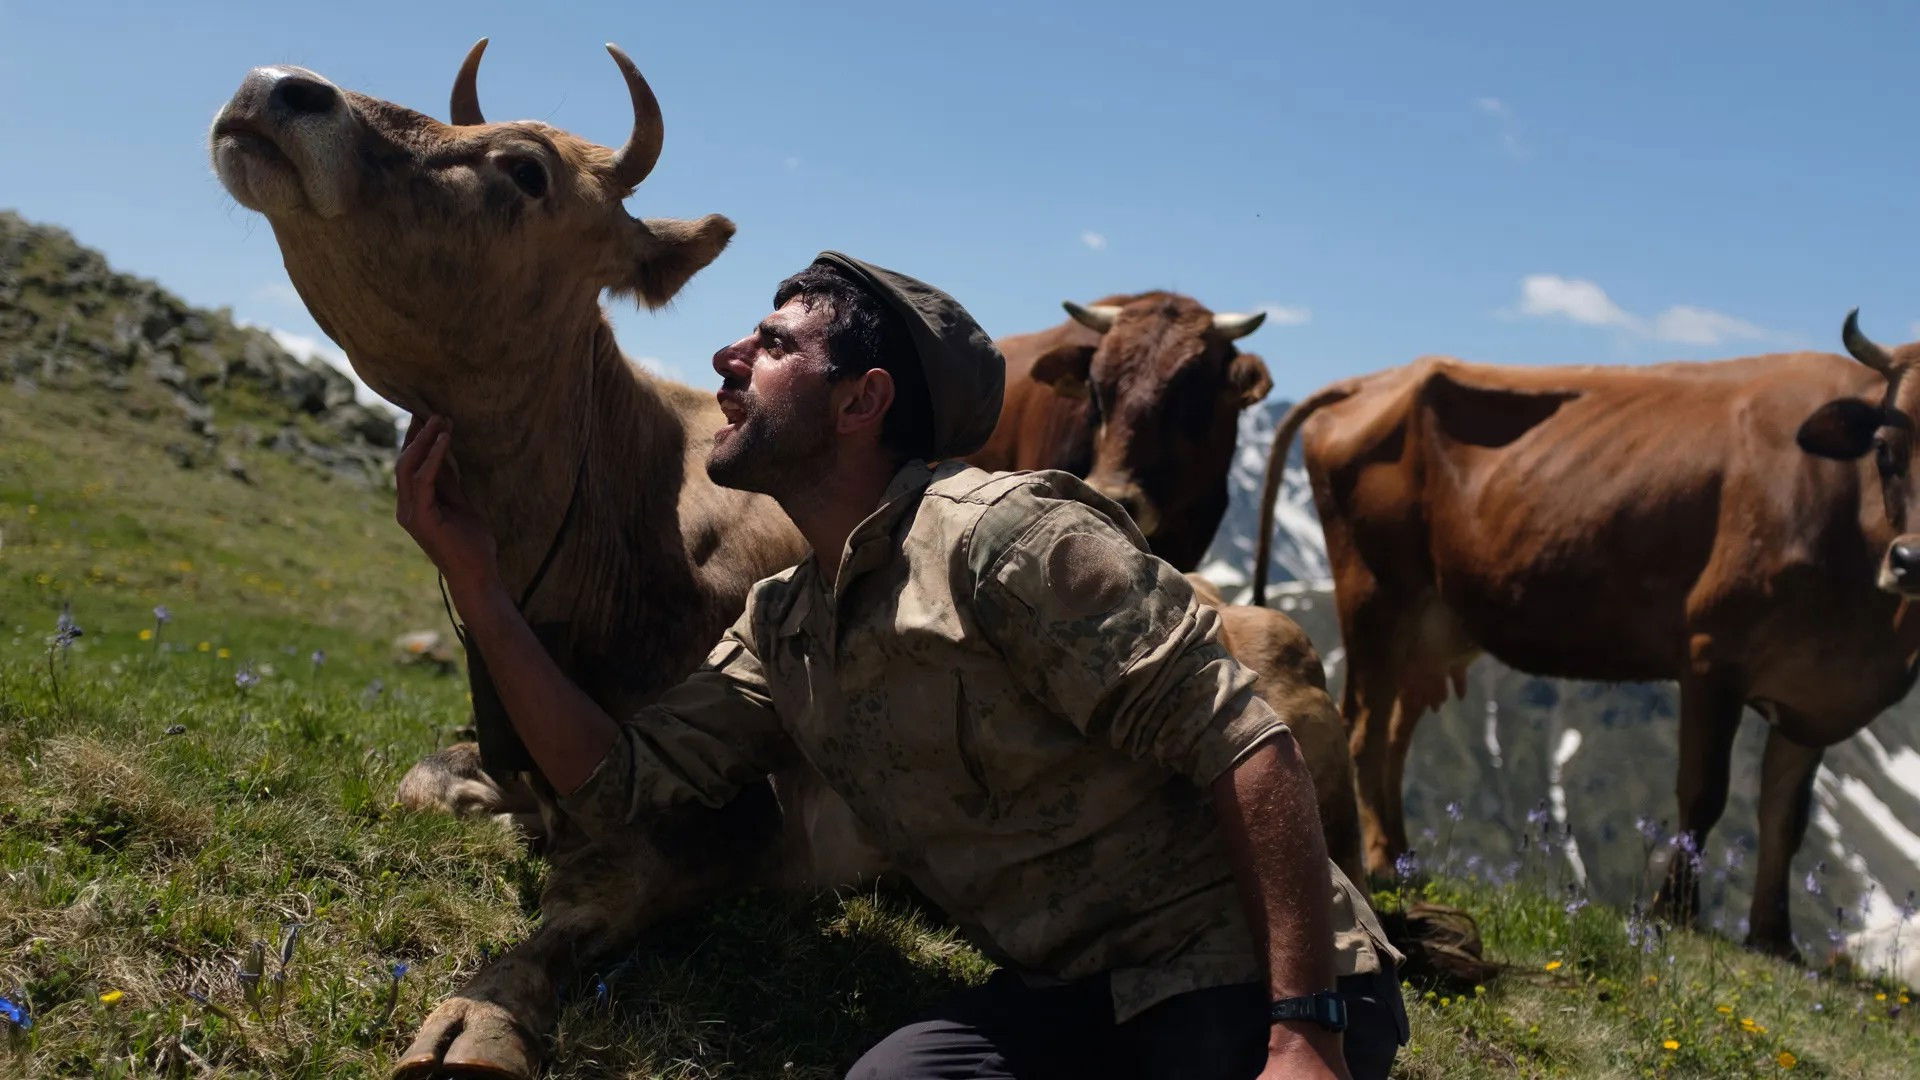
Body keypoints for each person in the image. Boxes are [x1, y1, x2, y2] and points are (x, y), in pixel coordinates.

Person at [395, 252, 1407, 1080]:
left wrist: (1302, 1028)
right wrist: (480, 589)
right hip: (1066, 992)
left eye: (775, 343)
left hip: (1236, 972)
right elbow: (611, 782)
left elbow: (1251, 746)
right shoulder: (788, 623)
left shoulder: (1010, 541)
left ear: (862, 400)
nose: (727, 355)